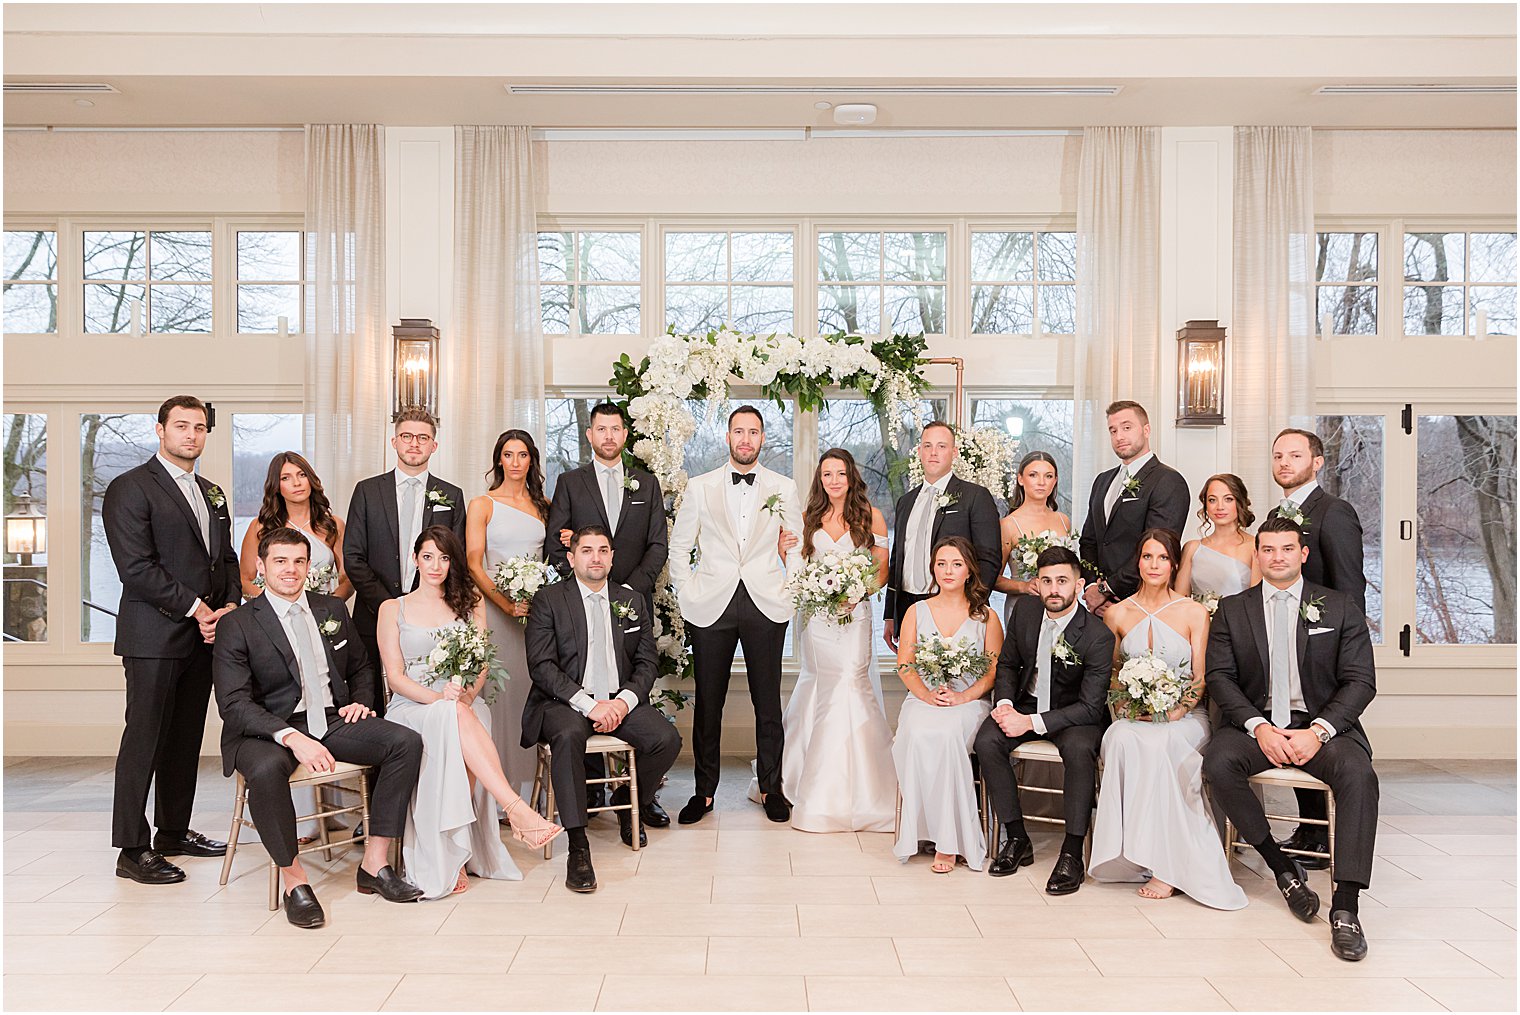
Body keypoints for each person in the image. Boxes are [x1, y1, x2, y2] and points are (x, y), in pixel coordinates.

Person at [212, 526, 426, 928]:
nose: (290, 571)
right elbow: (234, 704)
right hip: (266, 729)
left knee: (405, 743)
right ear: (261, 567)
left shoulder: (331, 609)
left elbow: (362, 665)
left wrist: (361, 701)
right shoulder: (237, 623)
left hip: (330, 719)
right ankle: (295, 883)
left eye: (298, 561)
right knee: (266, 769)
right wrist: (290, 737)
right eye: (280, 561)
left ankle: (375, 864)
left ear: (309, 566)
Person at [1202, 515, 1378, 962]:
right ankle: (1282, 868)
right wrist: (1258, 728)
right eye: (1267, 550)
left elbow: (1360, 681)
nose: (1276, 557)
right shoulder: (1232, 608)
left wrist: (1318, 731)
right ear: (1257, 555)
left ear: (1303, 554)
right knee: (1218, 762)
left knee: (1359, 776)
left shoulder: (1338, 607)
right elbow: (1220, 678)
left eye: (1286, 549)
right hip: (1257, 724)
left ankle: (1346, 906)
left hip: (1322, 727)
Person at [378, 526, 561, 900]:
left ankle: (459, 854)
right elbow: (395, 678)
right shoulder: (391, 608)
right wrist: (439, 699)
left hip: (462, 701)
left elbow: (480, 664)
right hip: (412, 706)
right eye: (428, 557)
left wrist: (464, 694)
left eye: (444, 558)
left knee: (466, 715)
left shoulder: (470, 600)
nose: (436, 566)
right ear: (415, 559)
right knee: (455, 718)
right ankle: (516, 810)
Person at [103, 394, 238, 885]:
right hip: (152, 635)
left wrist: (225, 609)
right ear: (160, 430)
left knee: (184, 739)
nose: (191, 435)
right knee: (144, 740)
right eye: (181, 426)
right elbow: (136, 568)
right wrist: (197, 608)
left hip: (203, 637)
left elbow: (223, 560)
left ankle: (173, 833)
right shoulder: (130, 487)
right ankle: (131, 849)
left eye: (199, 427)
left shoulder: (212, 492)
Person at [1089, 529, 1247, 910]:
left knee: (1164, 745)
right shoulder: (1117, 612)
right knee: (1120, 739)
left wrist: (1178, 708)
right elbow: (1111, 672)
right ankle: (1130, 854)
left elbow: (1201, 676)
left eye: (1162, 558)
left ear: (1174, 563)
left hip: (1184, 715)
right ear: (1138, 562)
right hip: (1135, 714)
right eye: (1147, 557)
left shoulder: (1193, 611)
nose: (1154, 565)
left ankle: (1169, 864)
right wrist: (1126, 705)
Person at [523, 526, 682, 893]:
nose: (596, 557)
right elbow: (542, 666)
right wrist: (589, 705)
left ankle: (630, 801)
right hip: (565, 701)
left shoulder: (631, 600)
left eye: (603, 550)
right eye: (587, 550)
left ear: (612, 558)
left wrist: (622, 702)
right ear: (571, 557)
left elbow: (646, 663)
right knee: (567, 736)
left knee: (665, 739)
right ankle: (578, 846)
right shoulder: (549, 600)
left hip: (616, 698)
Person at [667, 405, 802, 825]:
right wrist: (687, 593)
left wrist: (787, 590)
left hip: (766, 601)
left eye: (754, 432)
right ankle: (704, 794)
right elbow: (678, 547)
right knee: (709, 703)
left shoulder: (785, 486)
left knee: (768, 703)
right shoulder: (701, 487)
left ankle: (770, 788)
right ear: (728, 437)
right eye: (738, 431)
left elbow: (794, 546)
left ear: (763, 439)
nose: (746, 439)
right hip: (711, 603)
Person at [543, 402, 669, 823]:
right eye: (602, 429)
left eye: (616, 429)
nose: (609, 436)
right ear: (590, 435)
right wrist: (578, 590)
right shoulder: (570, 483)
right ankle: (591, 791)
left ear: (625, 435)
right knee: (583, 677)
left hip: (630, 602)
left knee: (631, 689)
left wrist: (628, 590)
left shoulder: (646, 484)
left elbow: (657, 545)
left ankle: (638, 794)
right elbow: (555, 546)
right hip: (582, 601)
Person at [975, 545, 1114, 895]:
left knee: (1081, 752)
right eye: (1047, 580)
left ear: (1079, 586)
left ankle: (1071, 852)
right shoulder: (1025, 612)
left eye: (1063, 581)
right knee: (987, 741)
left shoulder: (1098, 636)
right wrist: (1006, 704)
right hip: (1026, 701)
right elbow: (1007, 664)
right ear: (1037, 582)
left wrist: (1031, 723)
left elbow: (1091, 707)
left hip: (1074, 716)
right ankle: (1017, 837)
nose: (1054, 589)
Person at [776, 449, 896, 833]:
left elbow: (881, 573)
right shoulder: (808, 519)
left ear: (851, 477)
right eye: (826, 474)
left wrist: (857, 593)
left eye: (840, 473)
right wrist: (784, 556)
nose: (833, 480)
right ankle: (800, 776)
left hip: (855, 616)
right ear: (820, 479)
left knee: (850, 683)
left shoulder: (871, 517)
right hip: (818, 621)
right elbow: (798, 570)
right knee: (818, 685)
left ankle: (862, 790)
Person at [1268, 427, 1368, 864]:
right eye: (1278, 456)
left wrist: (1343, 641)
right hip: (1283, 639)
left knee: (1321, 731)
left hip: (1324, 644)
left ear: (1317, 461)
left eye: (1294, 455)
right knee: (1287, 723)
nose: (1285, 463)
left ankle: (1325, 835)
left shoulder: (1334, 511)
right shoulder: (1277, 512)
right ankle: (1309, 833)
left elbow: (1350, 586)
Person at [344, 408, 468, 717]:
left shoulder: (451, 495)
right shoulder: (367, 491)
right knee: (372, 707)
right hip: (372, 615)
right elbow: (353, 557)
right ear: (394, 441)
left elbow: (457, 556)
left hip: (432, 622)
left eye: (423, 438)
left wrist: (420, 606)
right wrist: (392, 607)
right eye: (407, 437)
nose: (414, 444)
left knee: (430, 701)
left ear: (434, 445)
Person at [891, 537, 1003, 873]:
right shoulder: (916, 611)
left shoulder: (986, 616)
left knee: (947, 735)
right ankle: (920, 830)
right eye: (941, 564)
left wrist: (963, 697)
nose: (948, 571)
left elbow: (993, 670)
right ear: (932, 569)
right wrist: (926, 695)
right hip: (924, 697)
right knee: (914, 731)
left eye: (956, 564)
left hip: (969, 702)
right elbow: (905, 664)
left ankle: (949, 841)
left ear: (969, 569)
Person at [466, 429, 550, 797]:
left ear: (531, 460)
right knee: (498, 697)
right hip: (496, 613)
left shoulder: (544, 505)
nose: (515, 463)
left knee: (533, 692)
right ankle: (498, 793)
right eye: (508, 455)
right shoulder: (483, 504)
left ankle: (535, 788)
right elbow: (473, 562)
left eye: (523, 455)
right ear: (499, 459)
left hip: (536, 615)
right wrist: (505, 603)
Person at [884, 421, 1001, 653]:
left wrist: (971, 603)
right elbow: (897, 560)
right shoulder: (905, 502)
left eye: (941, 446)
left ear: (954, 452)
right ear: (919, 452)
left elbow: (989, 558)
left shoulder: (975, 496)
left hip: (955, 605)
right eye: (927, 446)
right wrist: (890, 614)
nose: (933, 452)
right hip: (908, 606)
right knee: (915, 675)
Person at [1079, 401, 1190, 617]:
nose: (1119, 436)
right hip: (1099, 609)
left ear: (1146, 430)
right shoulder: (1102, 481)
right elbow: (1089, 541)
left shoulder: (1168, 481)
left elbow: (1158, 549)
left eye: (1127, 427)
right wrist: (1091, 588)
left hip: (1144, 604)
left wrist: (1107, 590)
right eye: (1113, 430)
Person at [239, 451, 352, 600]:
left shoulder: (333, 525)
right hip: (274, 616)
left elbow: (347, 579)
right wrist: (271, 607)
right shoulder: (261, 527)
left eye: (302, 475)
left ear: (310, 479)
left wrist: (328, 607)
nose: (296, 483)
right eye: (286, 478)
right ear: (276, 486)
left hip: (321, 615)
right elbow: (244, 580)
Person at [995, 451, 1072, 627]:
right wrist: (1023, 587)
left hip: (1062, 609)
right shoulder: (1008, 524)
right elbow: (993, 578)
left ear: (1055, 480)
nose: (1041, 482)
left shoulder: (1063, 520)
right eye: (1033, 475)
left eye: (1048, 476)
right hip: (1024, 609)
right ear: (1020, 479)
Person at [1177, 473, 1261, 600]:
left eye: (1228, 499)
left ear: (1240, 502)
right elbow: (1179, 601)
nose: (1219, 507)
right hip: (1198, 619)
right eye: (1212, 500)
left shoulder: (1255, 546)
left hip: (1238, 619)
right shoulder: (1192, 549)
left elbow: (1256, 602)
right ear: (1206, 505)